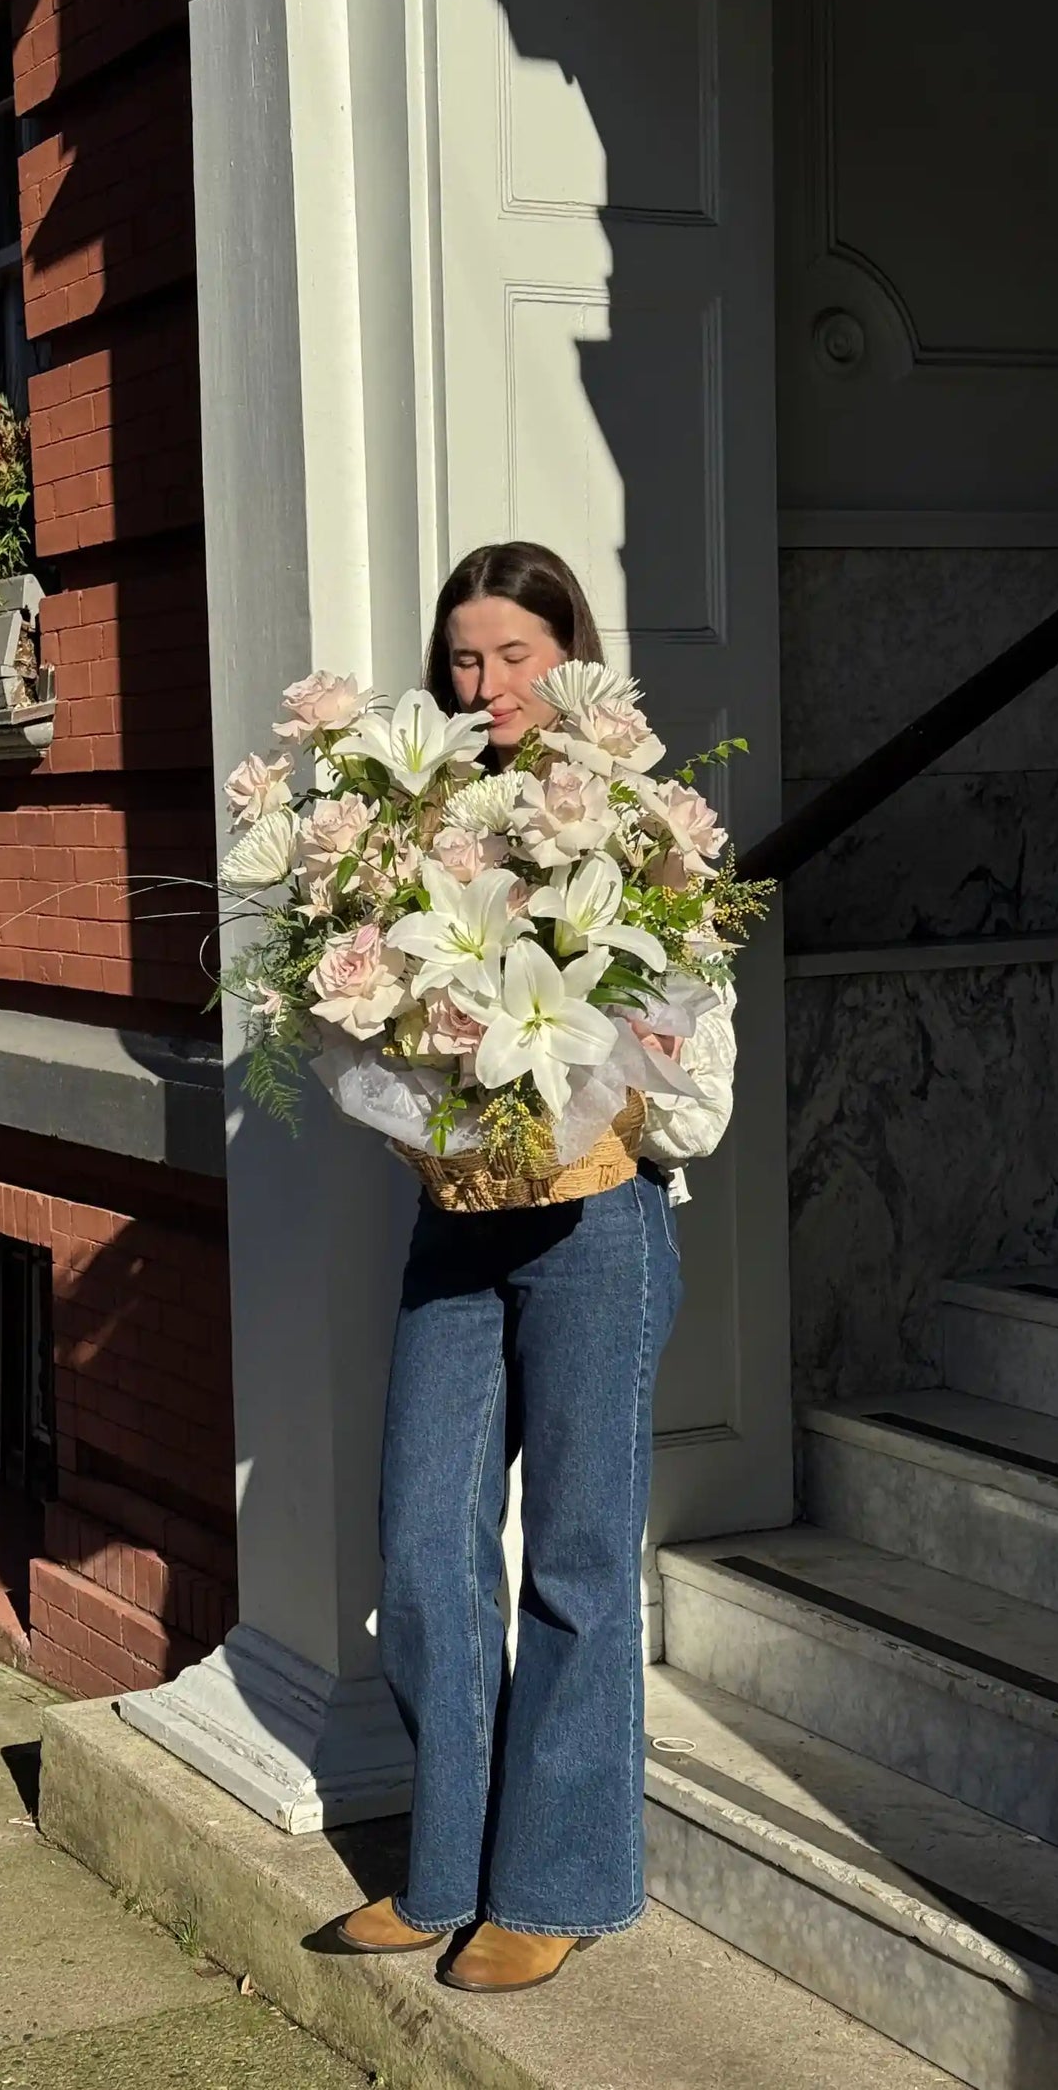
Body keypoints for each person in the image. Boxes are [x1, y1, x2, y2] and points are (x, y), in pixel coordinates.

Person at [337, 544, 736, 1994]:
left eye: (511, 656)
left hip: (600, 1224)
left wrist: (617, 1081)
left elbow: (694, 1067)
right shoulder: (408, 823)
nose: (485, 685)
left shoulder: (636, 821)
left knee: (573, 1558)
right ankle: (441, 1868)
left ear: (566, 657)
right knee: (427, 1548)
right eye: (462, 660)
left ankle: (557, 1884)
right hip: (460, 1218)